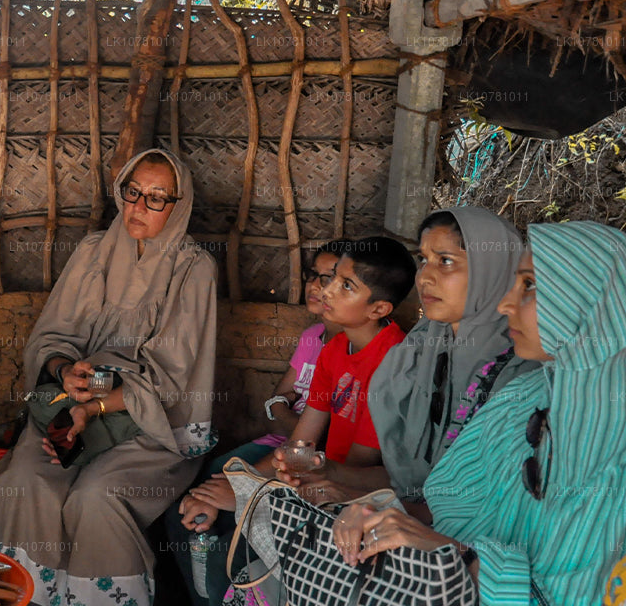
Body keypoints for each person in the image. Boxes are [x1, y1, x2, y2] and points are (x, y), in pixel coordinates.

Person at [333, 221, 626, 606]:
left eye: (530, 286)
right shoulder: (524, 398)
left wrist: (457, 554)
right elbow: (443, 508)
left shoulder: (612, 445)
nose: (506, 304)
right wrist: (375, 513)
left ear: (589, 300)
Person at [0, 148, 218, 606]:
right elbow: (50, 337)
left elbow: (172, 378)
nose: (138, 207)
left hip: (149, 425)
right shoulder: (93, 250)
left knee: (97, 496)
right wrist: (65, 372)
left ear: (178, 204)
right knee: (25, 482)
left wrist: (96, 402)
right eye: (132, 192)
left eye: (156, 198)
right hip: (74, 406)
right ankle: (23, 599)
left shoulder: (193, 269)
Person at [183, 236, 416, 556]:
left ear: (378, 308)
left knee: (228, 547)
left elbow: (357, 467)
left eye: (346, 285)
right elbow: (300, 444)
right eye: (334, 278)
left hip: (360, 501)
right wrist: (246, 483)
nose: (328, 289)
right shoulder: (333, 350)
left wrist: (252, 494)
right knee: (204, 515)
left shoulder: (393, 363)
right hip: (323, 480)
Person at [166, 239, 351, 605]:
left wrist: (289, 418)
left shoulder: (350, 350)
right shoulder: (312, 338)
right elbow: (277, 400)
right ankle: (202, 591)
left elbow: (314, 435)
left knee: (222, 491)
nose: (317, 287)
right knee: (200, 487)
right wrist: (290, 418)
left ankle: (226, 590)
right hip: (283, 445)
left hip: (300, 456)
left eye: (330, 279)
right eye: (314, 276)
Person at [354, 208, 541, 510]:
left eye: (446, 261)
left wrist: (401, 517)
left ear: (490, 269)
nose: (425, 277)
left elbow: (502, 506)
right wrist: (329, 475)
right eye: (423, 260)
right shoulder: (422, 347)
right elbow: (410, 487)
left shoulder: (524, 370)